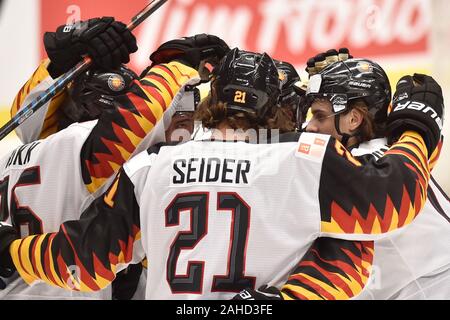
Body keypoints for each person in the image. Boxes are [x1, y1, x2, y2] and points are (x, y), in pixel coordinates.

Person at [0, 48, 442, 299]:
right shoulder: (305, 156)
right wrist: (418, 125)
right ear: (278, 106)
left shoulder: (149, 166)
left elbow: (84, 263)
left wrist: (13, 252)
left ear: (211, 101)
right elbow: (395, 199)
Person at [0, 16, 229, 299]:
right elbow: (133, 123)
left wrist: (59, 62)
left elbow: (25, 115)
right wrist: (176, 67)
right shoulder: (82, 145)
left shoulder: (18, 155)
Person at [240, 55, 449, 300]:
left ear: (353, 120)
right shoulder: (387, 149)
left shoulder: (364, 164)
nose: (309, 127)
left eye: (319, 116)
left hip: (431, 287)